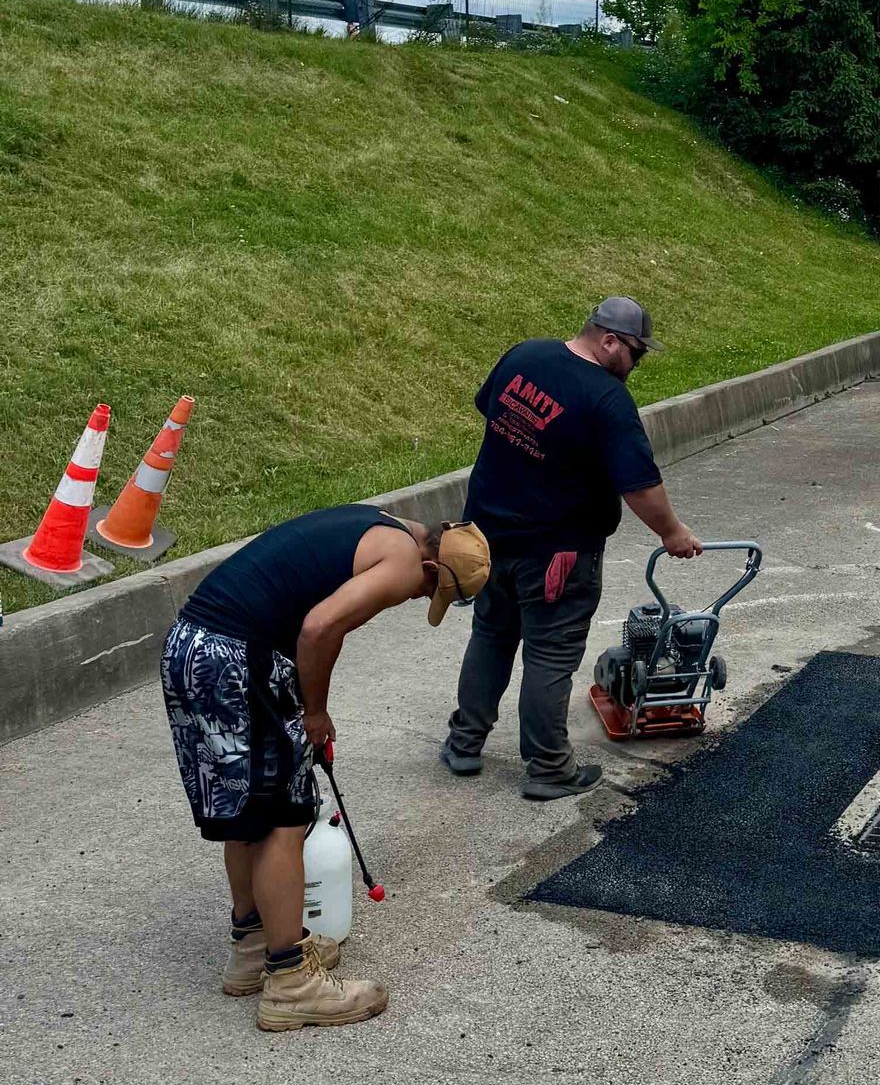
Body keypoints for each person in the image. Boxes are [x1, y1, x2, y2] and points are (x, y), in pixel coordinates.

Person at [162, 507, 491, 1032]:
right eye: (429, 594)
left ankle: (253, 945)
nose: (418, 598)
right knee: (284, 820)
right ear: (432, 570)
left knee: (250, 809)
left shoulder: (385, 524)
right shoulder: (407, 561)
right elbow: (319, 627)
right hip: (238, 658)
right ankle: (291, 983)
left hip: (192, 645)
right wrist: (313, 712)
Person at [443, 297, 701, 797]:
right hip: (556, 554)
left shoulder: (524, 356)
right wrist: (672, 532)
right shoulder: (606, 399)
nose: (636, 365)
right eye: (635, 353)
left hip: (485, 541)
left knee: (491, 636)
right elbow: (640, 487)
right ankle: (548, 770)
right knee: (549, 655)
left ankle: (464, 743)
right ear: (608, 341)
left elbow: (490, 411)